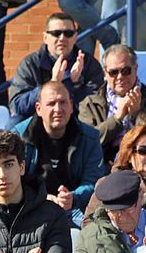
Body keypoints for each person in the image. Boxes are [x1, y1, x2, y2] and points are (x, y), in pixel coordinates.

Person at [12, 81, 105, 225]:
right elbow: (13, 180)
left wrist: (73, 197)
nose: (58, 109)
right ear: (38, 108)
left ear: (71, 106)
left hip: (75, 209)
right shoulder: (19, 137)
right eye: (51, 104)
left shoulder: (90, 137)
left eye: (63, 102)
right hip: (30, 207)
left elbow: (93, 181)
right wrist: (40, 197)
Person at [78, 44, 146, 162]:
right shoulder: (89, 104)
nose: (120, 77)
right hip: (104, 164)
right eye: (113, 72)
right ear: (105, 73)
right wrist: (117, 118)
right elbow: (86, 142)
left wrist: (137, 116)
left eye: (126, 71)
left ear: (135, 68)